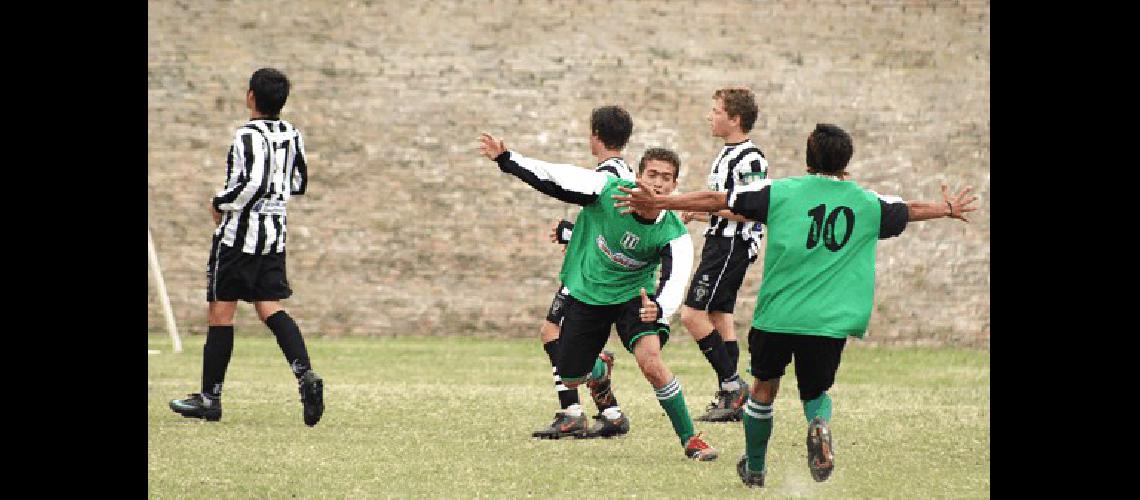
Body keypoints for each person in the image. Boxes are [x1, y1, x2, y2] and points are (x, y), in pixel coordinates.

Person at [613, 123, 979, 487]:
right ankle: (818, 424)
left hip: (779, 315)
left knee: (763, 389)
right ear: (846, 163)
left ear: (808, 155)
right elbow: (908, 208)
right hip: (830, 322)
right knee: (816, 392)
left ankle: (755, 467)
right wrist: (945, 208)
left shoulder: (780, 193)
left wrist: (661, 201)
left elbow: (718, 200)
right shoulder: (867, 202)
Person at [479, 133, 718, 461]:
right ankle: (597, 370)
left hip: (635, 298)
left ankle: (691, 439)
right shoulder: (605, 190)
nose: (658, 183)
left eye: (666, 178)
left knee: (651, 362)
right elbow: (554, 177)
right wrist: (507, 159)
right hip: (589, 293)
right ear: (638, 177)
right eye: (652, 175)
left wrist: (660, 307)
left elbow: (677, 278)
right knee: (570, 376)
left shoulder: (673, 230)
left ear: (675, 185)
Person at [169, 68, 324, 427]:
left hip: (239, 236)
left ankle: (210, 398)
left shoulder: (246, 136)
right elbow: (298, 183)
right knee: (270, 307)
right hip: (274, 235)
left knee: (221, 313)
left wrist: (219, 202)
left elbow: (250, 183)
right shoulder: (292, 134)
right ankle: (305, 376)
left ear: (251, 96)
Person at [532, 106, 638, 440]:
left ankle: (574, 411)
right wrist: (571, 233)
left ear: (596, 135)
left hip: (591, 274)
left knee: (551, 332)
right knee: (552, 332)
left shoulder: (607, 174)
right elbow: (607, 224)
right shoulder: (624, 171)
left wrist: (569, 234)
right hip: (600, 270)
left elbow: (607, 227)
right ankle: (610, 412)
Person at [681, 87, 769, 422]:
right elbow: (726, 206)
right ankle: (731, 398)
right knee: (720, 316)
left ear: (734, 119)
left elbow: (751, 210)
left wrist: (698, 205)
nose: (710, 115)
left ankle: (734, 386)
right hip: (720, 240)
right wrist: (699, 214)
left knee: (692, 314)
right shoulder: (726, 155)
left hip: (730, 246)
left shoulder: (751, 159)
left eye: (716, 110)